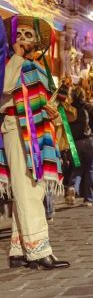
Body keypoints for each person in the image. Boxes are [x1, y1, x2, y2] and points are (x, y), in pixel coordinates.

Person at [0, 15, 69, 269]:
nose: (23, 39)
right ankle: (39, 252)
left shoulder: (40, 69)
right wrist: (16, 57)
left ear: (38, 42)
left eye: (29, 35)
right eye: (19, 34)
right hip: (16, 128)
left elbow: (44, 103)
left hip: (37, 132)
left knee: (30, 188)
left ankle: (19, 249)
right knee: (27, 188)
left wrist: (54, 111)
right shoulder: (9, 62)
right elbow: (4, 86)